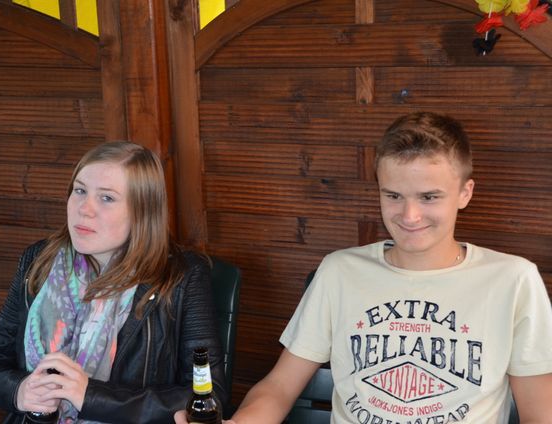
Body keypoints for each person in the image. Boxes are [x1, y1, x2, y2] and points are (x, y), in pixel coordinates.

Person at [175, 112, 552, 423]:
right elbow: (279, 386)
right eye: (394, 195)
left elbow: (540, 412)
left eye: (429, 197)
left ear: (465, 193)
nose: (410, 215)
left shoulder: (513, 280)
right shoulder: (339, 272)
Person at [0, 141, 228, 424]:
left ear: (142, 211)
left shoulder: (183, 276)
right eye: (80, 191)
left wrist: (89, 395)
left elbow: (210, 394)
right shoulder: (39, 260)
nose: (85, 209)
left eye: (106, 198)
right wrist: (20, 391)